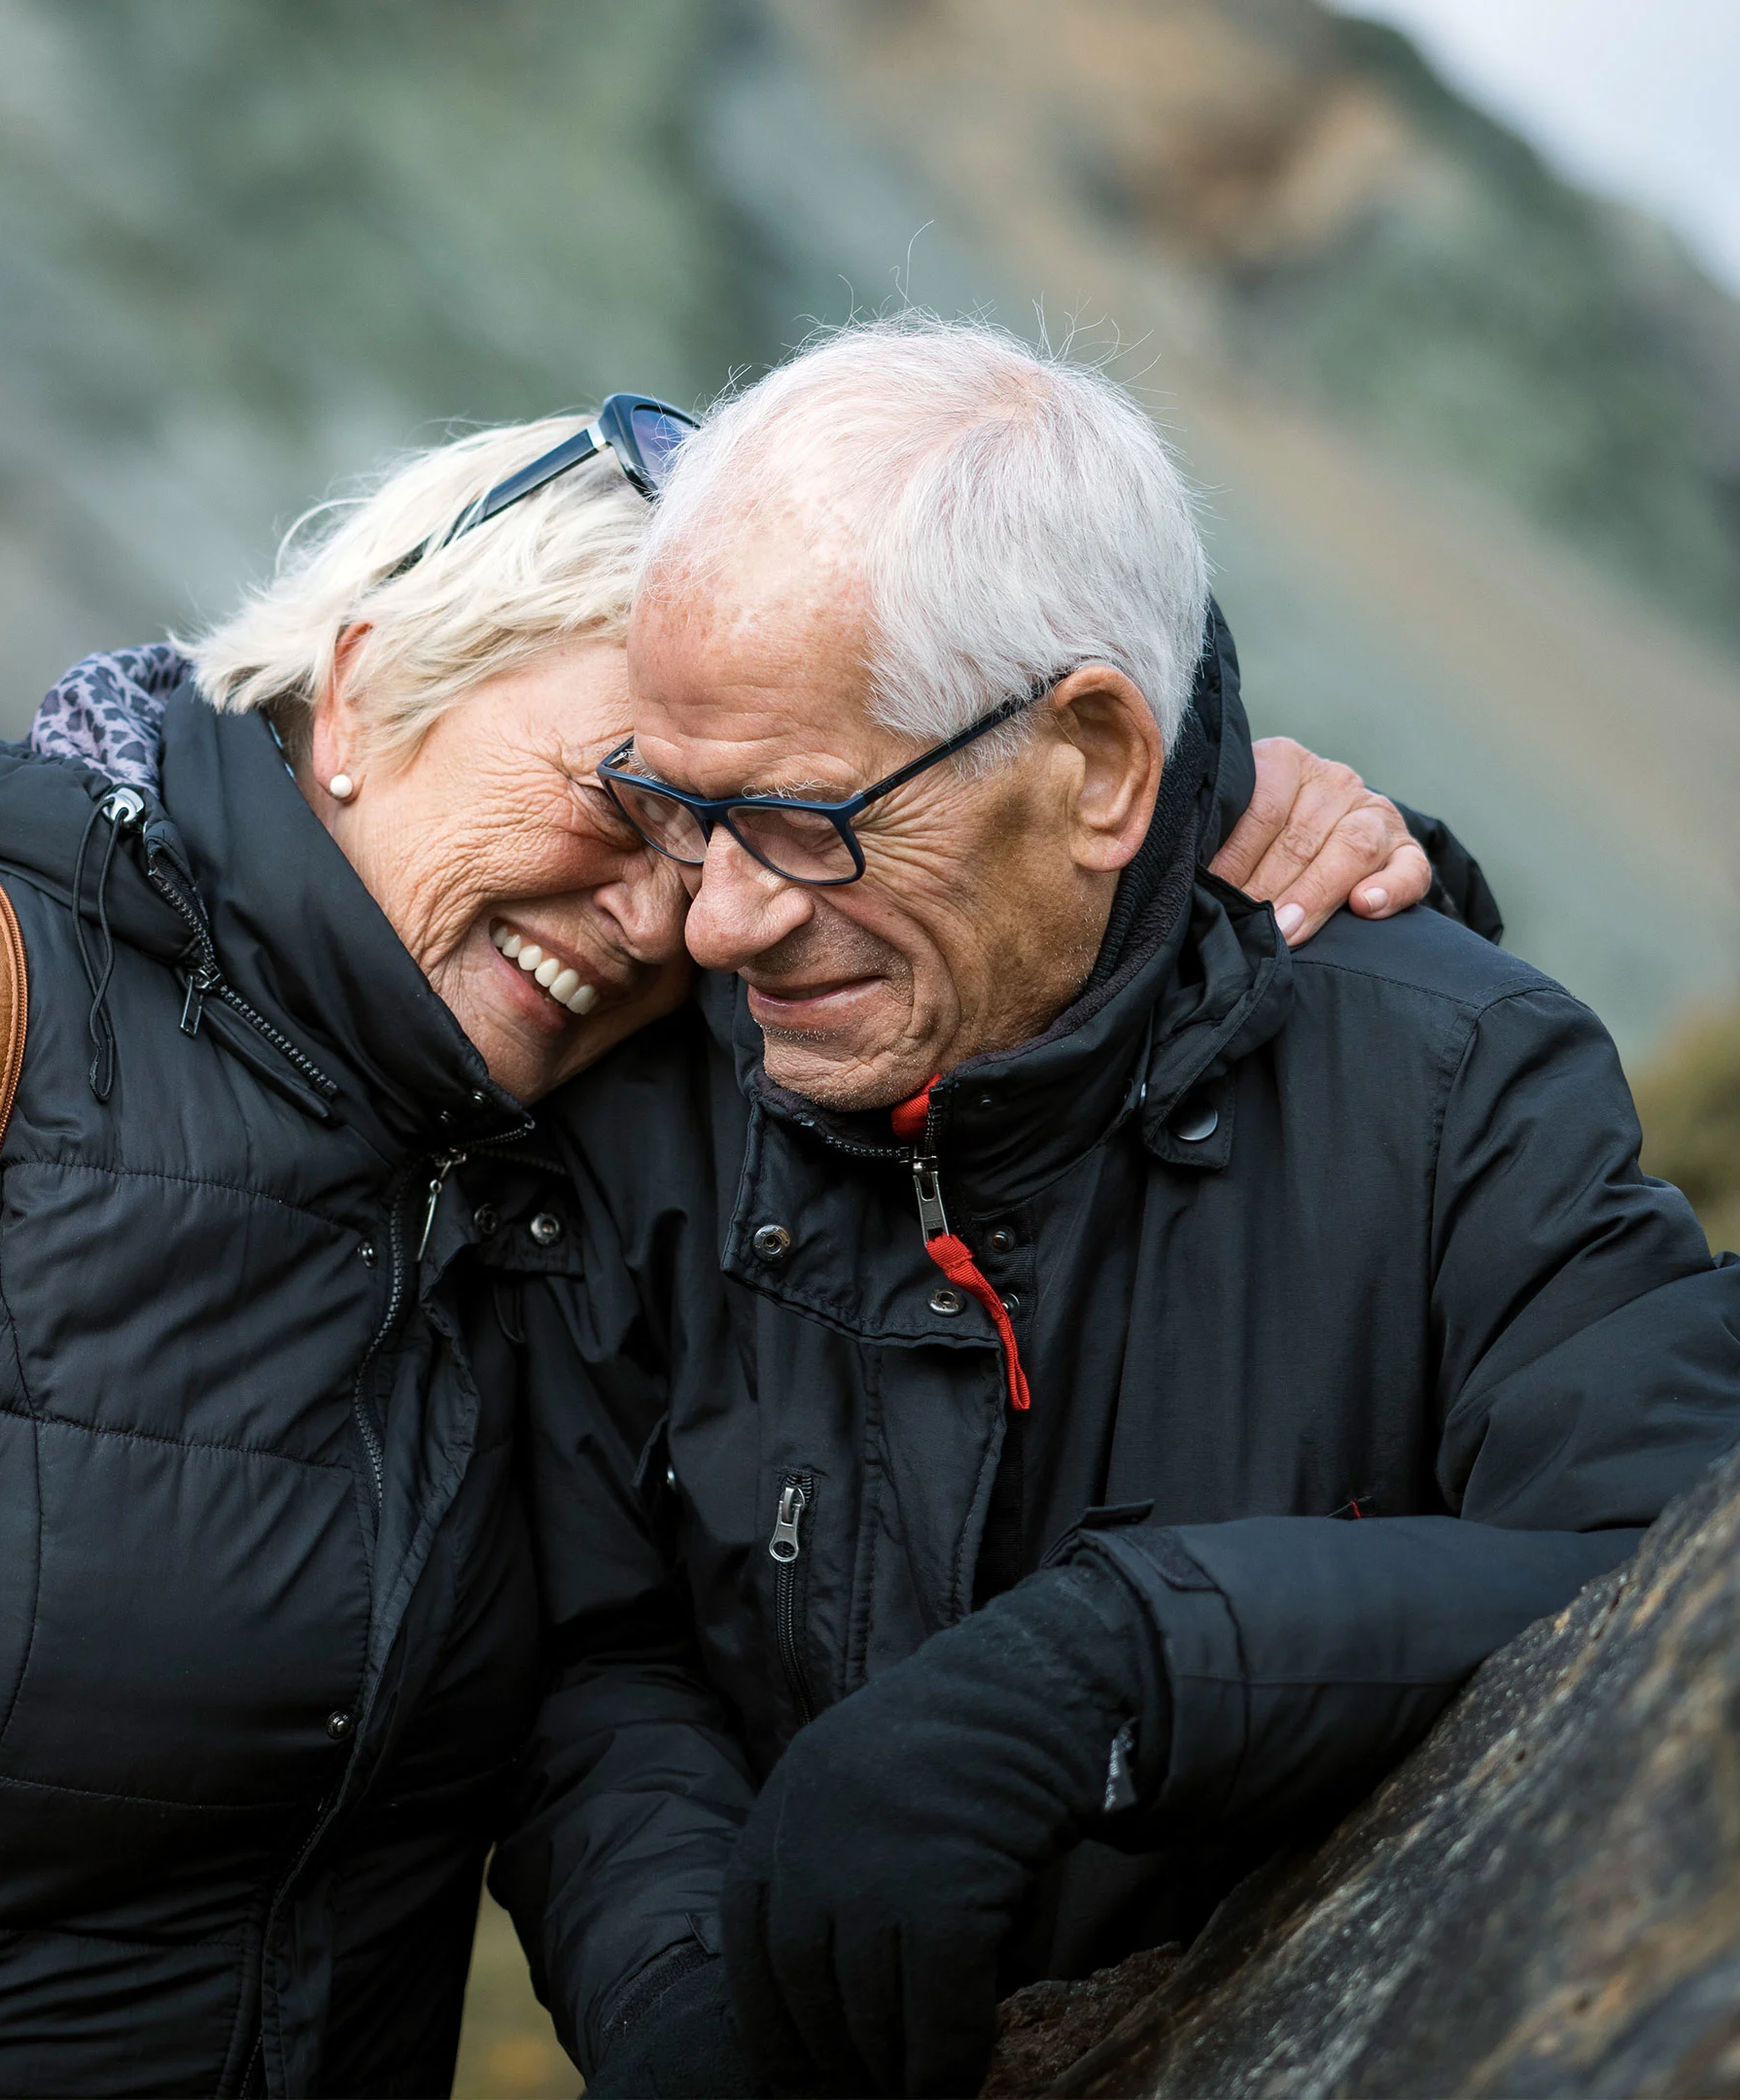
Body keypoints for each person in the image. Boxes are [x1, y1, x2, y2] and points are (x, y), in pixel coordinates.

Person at [0, 393, 1429, 2096]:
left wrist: (1262, 840)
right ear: (373, 684)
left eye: (739, 831)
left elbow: (1025, 985)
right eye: (630, 801)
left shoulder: (543, 1164)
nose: (678, 916)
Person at [494, 318, 1740, 2099]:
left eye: (798, 825)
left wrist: (1125, 1665)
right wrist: (690, 1999)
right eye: (684, 812)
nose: (714, 922)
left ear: (1093, 760)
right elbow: (601, 1657)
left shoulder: (1457, 1083)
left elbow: (1663, 1542)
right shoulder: (654, 1093)